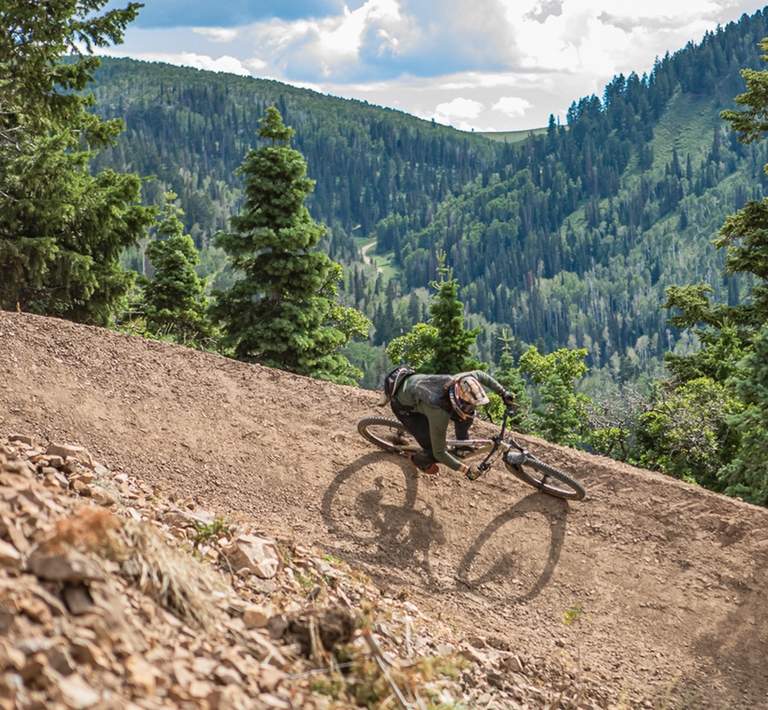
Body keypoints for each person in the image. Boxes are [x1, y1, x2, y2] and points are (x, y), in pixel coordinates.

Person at [386, 369, 514, 480]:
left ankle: (461, 445)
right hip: (404, 408)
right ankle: (419, 461)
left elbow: (481, 374)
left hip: (414, 389)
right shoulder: (439, 412)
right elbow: (439, 453)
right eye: (469, 405)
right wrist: (465, 470)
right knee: (432, 449)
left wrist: (503, 392)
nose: (472, 408)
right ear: (457, 399)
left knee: (466, 417)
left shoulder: (462, 381)